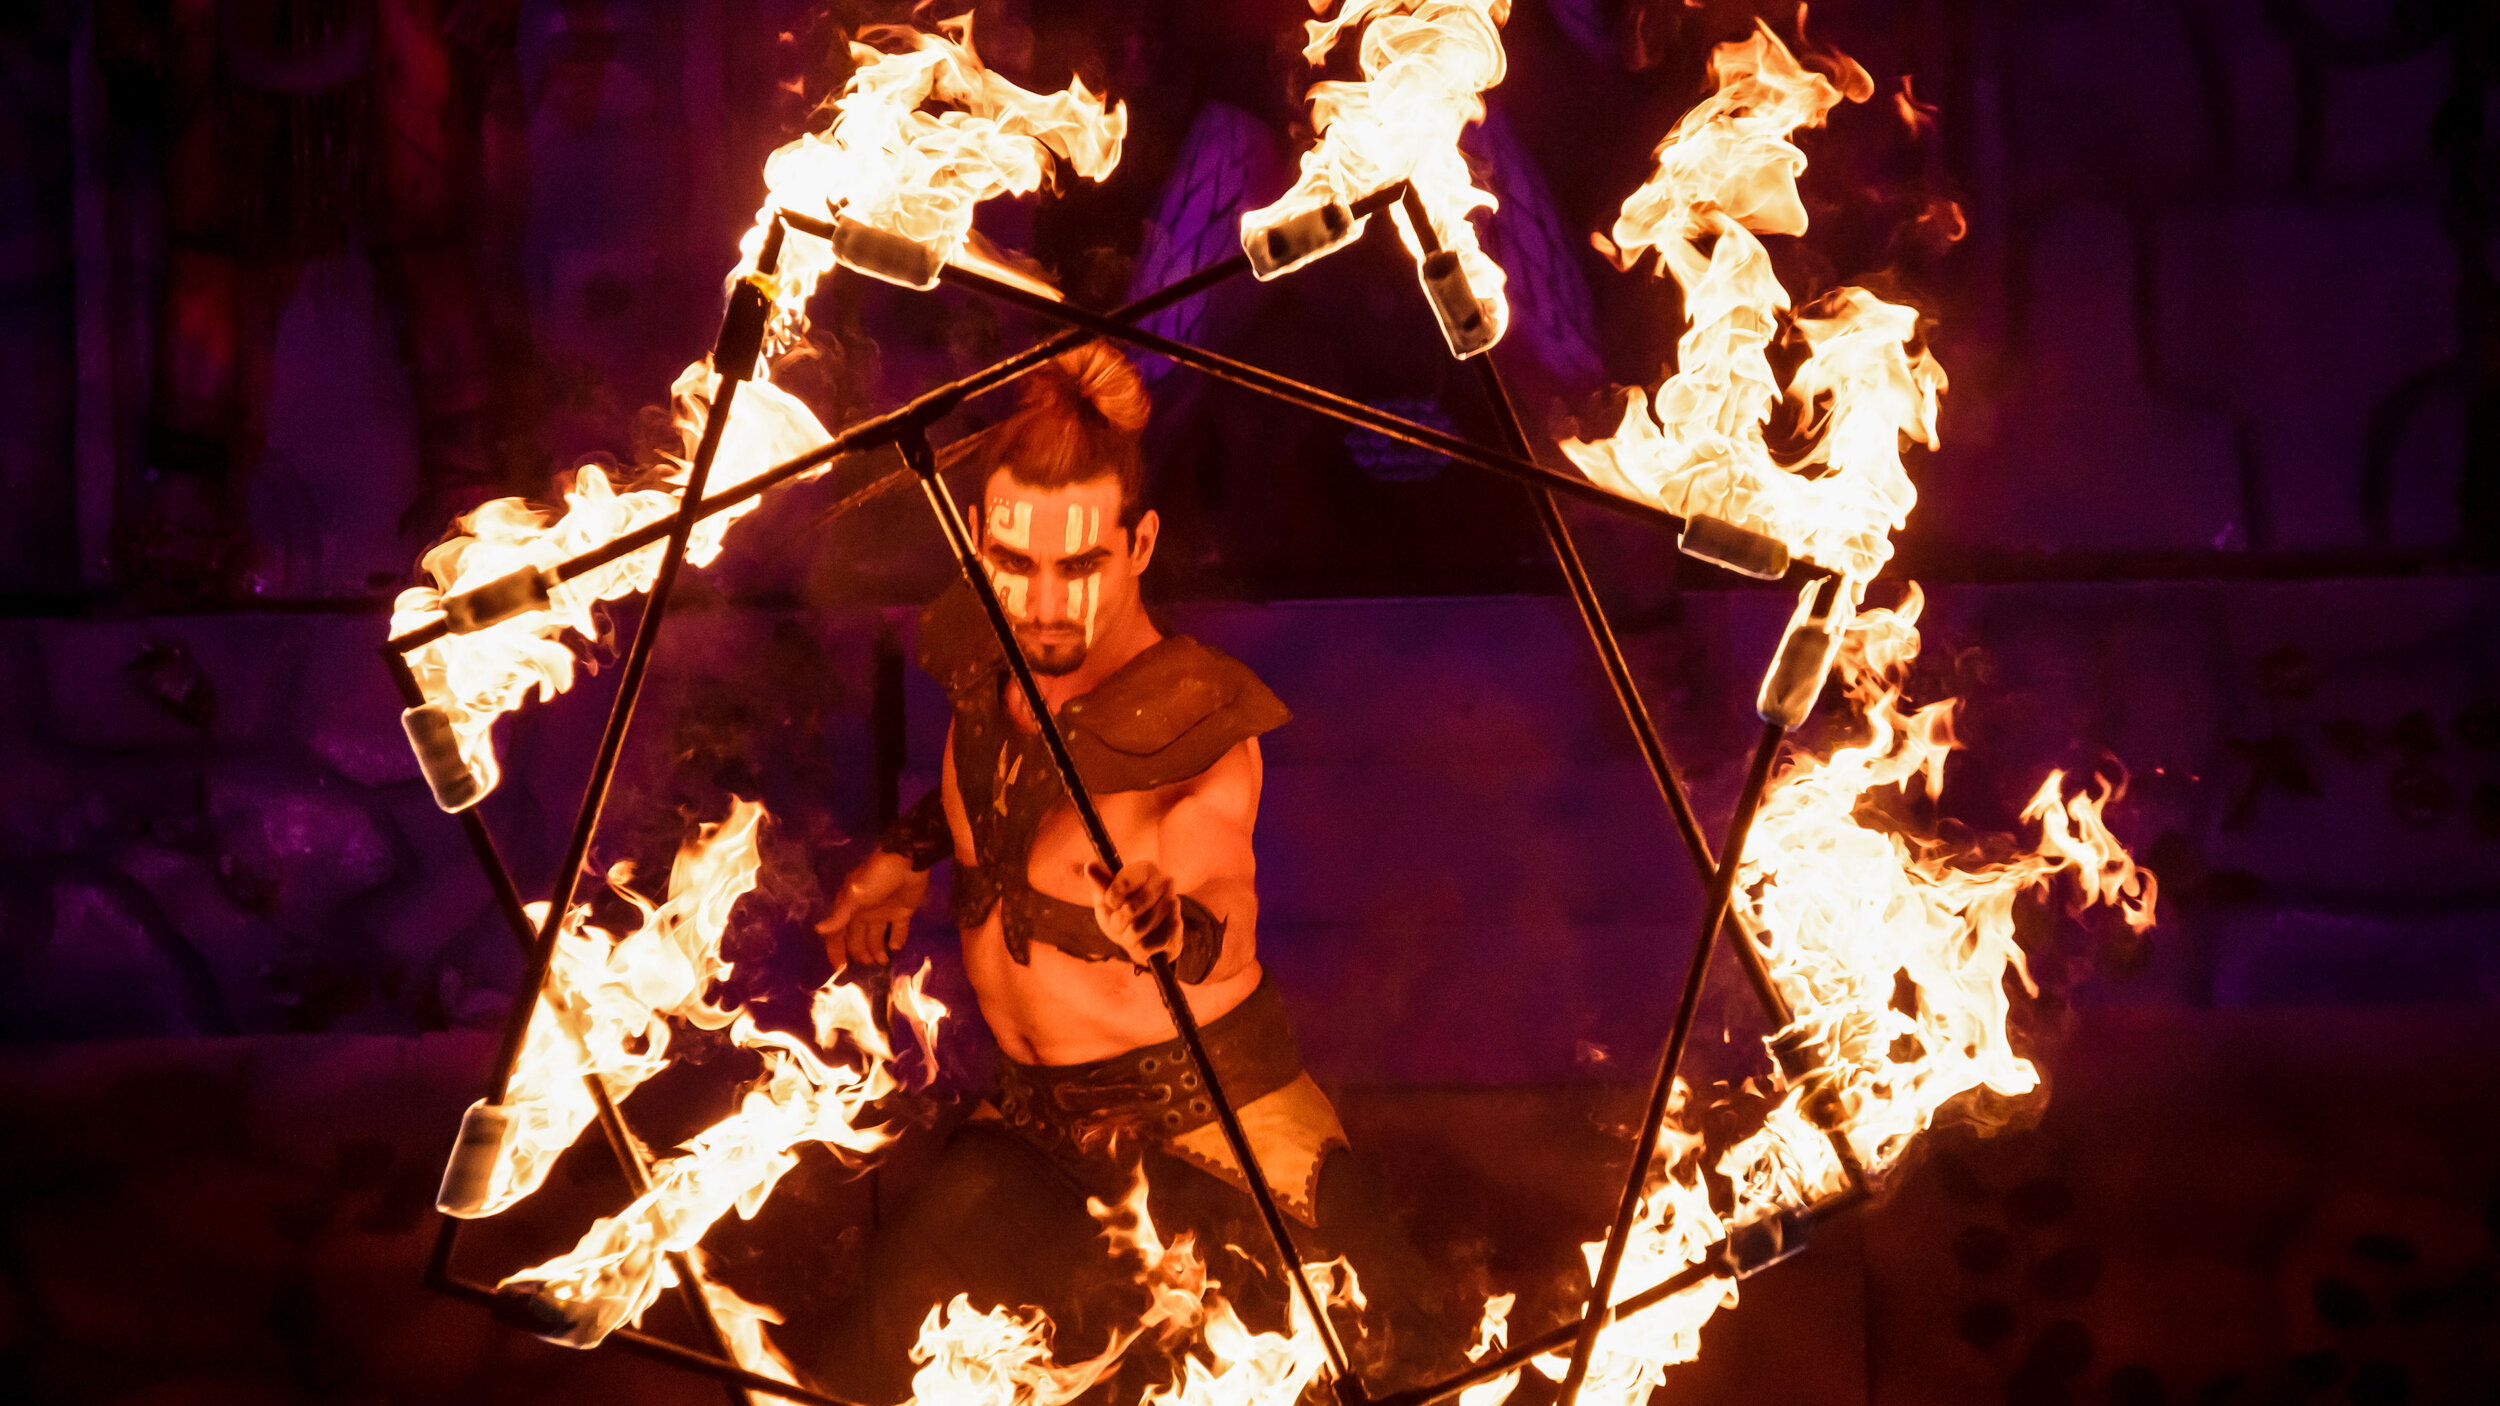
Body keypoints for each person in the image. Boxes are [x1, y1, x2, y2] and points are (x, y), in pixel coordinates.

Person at [810, 344, 1450, 1401]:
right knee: (881, 1358)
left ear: (1139, 542)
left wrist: (1170, 925)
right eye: (1017, 564)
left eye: (1082, 566)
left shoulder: (1199, 723)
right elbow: (998, 797)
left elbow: (1221, 912)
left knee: (1373, 1370)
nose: (1046, 601)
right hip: (1033, 1120)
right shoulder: (985, 645)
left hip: (1212, 1139)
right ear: (980, 539)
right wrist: (903, 854)